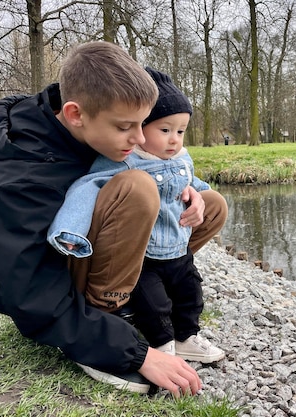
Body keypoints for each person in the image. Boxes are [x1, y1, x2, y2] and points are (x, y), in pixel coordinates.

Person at [0, 41, 224, 396]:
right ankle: (107, 319)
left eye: (143, 123)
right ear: (76, 114)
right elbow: (27, 294)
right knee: (137, 188)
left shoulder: (95, 133)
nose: (140, 138)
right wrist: (134, 353)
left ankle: (143, 299)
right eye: (126, 126)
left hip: (102, 264)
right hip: (53, 296)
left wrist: (190, 191)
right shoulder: (17, 182)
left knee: (212, 203)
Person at [47, 67, 226, 364]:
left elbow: (188, 180)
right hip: (142, 255)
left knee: (190, 291)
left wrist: (198, 196)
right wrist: (70, 229)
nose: (174, 140)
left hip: (175, 248)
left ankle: (185, 336)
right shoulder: (126, 159)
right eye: (165, 131)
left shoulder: (181, 158)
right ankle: (158, 339)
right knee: (154, 301)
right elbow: (87, 187)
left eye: (181, 132)